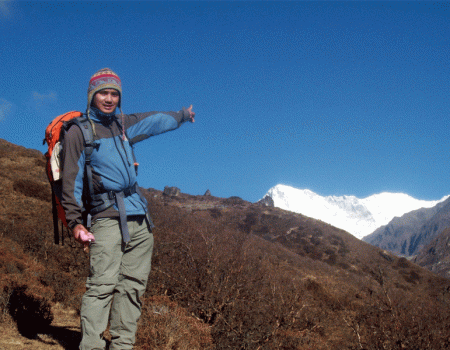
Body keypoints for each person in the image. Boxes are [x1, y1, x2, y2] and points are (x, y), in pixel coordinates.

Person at [60, 68, 195, 350]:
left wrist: (181, 116)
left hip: (140, 219)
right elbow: (70, 181)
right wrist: (75, 223)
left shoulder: (122, 125)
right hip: (106, 219)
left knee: (132, 288)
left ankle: (122, 346)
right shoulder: (79, 132)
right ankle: (92, 346)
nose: (108, 99)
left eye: (114, 93)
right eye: (103, 93)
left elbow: (154, 122)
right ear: (92, 95)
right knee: (101, 287)